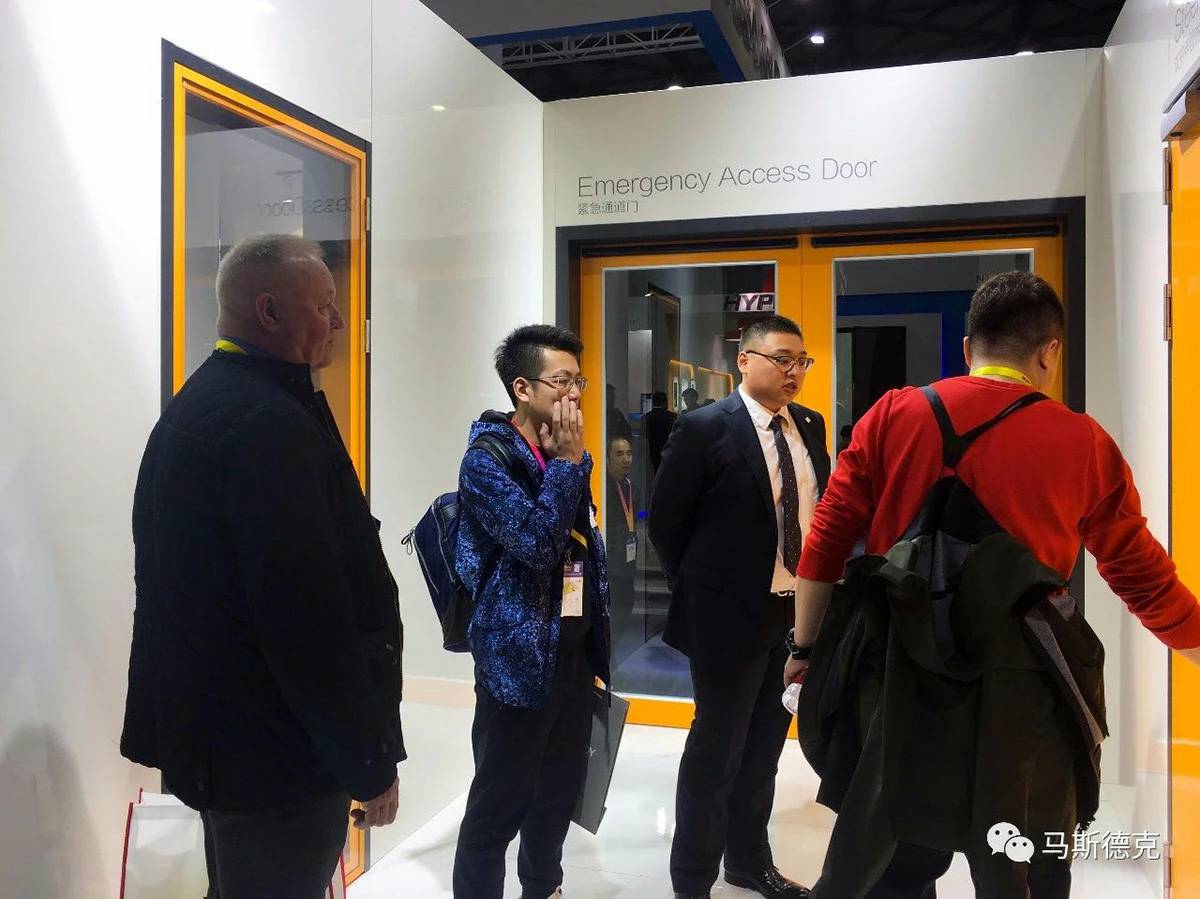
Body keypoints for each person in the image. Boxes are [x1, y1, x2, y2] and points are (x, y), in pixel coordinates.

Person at [786, 271, 1200, 899]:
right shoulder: (1082, 441)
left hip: (900, 676)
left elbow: (825, 543)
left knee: (893, 854)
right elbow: (1139, 572)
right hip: (1022, 687)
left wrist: (804, 650)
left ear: (968, 347)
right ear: (1049, 351)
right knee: (1019, 861)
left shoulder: (893, 415)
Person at [121, 234, 403, 899]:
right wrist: (367, 759)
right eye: (324, 305)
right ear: (270, 311)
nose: (338, 321)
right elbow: (307, 624)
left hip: (230, 748)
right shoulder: (265, 426)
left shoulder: (201, 404)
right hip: (278, 758)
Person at [650, 315, 830, 899]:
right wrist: (705, 592)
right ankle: (692, 881)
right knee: (716, 752)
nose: (794, 371)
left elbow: (819, 513)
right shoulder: (705, 427)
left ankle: (748, 862)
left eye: (801, 361)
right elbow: (667, 523)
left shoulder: (809, 425)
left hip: (792, 616)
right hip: (727, 619)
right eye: (782, 359)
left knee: (764, 751)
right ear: (744, 361)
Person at [452, 324, 611, 899]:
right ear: (522, 388)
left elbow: (579, 545)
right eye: (561, 381)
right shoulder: (486, 460)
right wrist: (568, 464)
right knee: (499, 804)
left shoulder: (562, 451)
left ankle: (544, 888)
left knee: (558, 795)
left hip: (571, 651)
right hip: (517, 661)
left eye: (579, 382)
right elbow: (539, 545)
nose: (574, 394)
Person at [606, 434, 640, 650]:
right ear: (608, 458)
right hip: (610, 560)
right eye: (619, 454)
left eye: (629, 453)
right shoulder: (603, 487)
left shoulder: (632, 489)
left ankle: (614, 645)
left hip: (627, 559)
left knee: (627, 602)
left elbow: (637, 517)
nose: (626, 459)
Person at [643, 391, 678, 474]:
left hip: (652, 451)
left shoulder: (646, 417)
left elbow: (643, 436)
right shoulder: (672, 417)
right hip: (669, 450)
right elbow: (676, 435)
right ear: (664, 402)